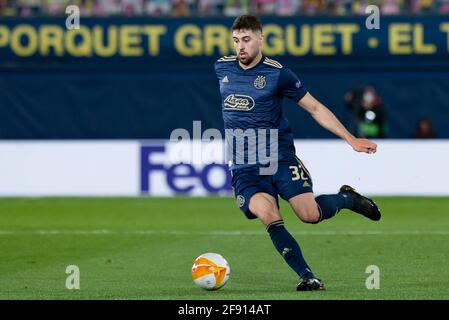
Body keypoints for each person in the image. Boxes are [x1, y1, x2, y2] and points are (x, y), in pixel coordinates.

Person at [214, 15, 381, 291]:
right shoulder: (221, 67)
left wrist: (350, 139)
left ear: (260, 39)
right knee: (269, 216)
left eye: (245, 40)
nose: (240, 46)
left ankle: (347, 198)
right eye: (235, 41)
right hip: (244, 167)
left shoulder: (278, 74)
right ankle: (308, 277)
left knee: (310, 215)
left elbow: (315, 108)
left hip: (279, 158)